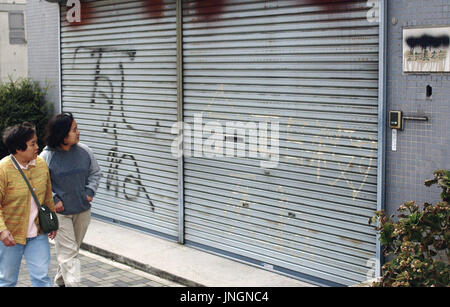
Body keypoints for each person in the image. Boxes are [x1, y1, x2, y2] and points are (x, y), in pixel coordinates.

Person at [40, 113, 102, 287]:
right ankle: (73, 284)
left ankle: (60, 281)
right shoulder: (46, 157)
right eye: (74, 129)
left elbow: (95, 173)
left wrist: (89, 191)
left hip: (82, 210)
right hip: (60, 214)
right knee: (69, 252)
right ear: (62, 134)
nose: (78, 132)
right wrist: (54, 199)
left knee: (71, 252)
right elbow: (40, 183)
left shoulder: (85, 151)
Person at [0, 122, 56, 287]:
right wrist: (2, 231)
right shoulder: (3, 169)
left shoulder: (40, 164)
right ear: (18, 149)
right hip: (11, 236)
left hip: (37, 235)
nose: (37, 147)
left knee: (42, 278)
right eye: (32, 144)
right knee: (7, 281)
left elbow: (47, 196)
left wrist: (51, 220)